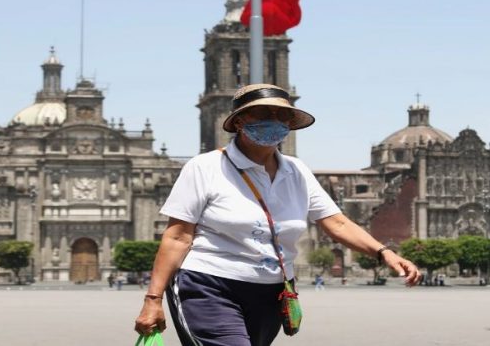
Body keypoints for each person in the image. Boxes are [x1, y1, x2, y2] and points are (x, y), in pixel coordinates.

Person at [133, 84, 422, 346]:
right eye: (262, 113)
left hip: (272, 293)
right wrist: (152, 299)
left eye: (282, 115)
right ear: (239, 122)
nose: (274, 120)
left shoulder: (297, 171)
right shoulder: (204, 167)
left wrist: (384, 252)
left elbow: (337, 222)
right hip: (209, 285)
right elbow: (178, 236)